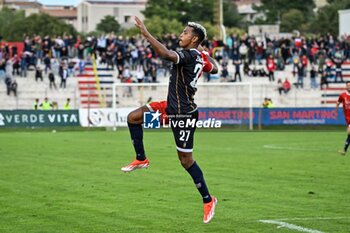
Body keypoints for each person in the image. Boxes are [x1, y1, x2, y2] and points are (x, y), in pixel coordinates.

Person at [121, 17, 219, 224]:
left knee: (186, 161)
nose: (180, 35)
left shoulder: (189, 55)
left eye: (185, 33)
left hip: (183, 115)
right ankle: (141, 158)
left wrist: (146, 34)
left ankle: (209, 200)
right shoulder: (199, 55)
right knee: (133, 118)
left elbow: (165, 54)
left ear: (194, 39)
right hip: (169, 108)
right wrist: (207, 55)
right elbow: (216, 69)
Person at [335, 81, 350, 155]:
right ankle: (344, 150)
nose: (349, 86)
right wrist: (336, 111)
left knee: (349, 132)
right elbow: (338, 102)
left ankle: (344, 150)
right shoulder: (342, 95)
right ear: (346, 87)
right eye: (348, 85)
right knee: (349, 135)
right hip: (347, 118)